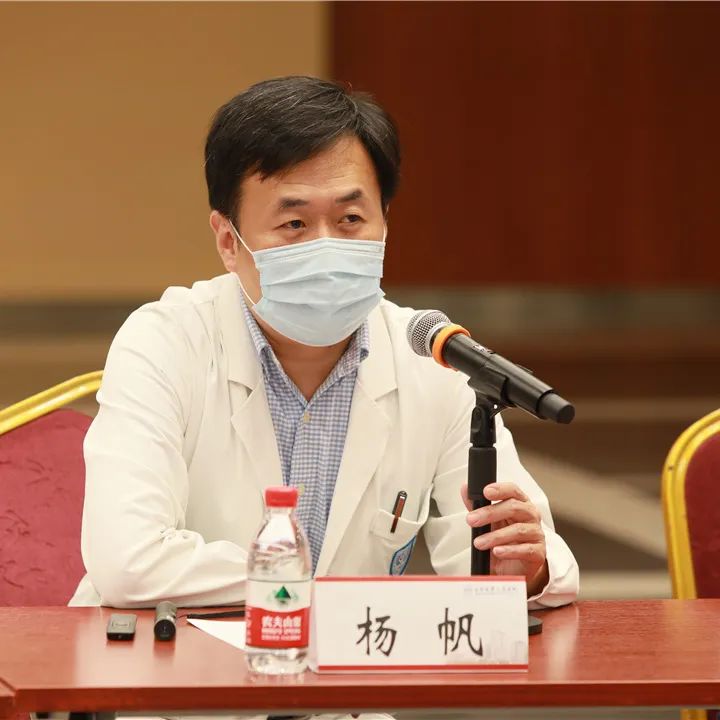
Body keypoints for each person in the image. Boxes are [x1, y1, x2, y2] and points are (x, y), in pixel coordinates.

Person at [70, 76, 578, 612]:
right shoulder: (165, 343)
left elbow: (508, 563)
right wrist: (310, 588)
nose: (327, 246)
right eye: (294, 223)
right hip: (171, 659)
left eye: (350, 219)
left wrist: (525, 571)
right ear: (227, 240)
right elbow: (128, 562)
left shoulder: (431, 360)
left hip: (350, 664)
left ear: (385, 223)